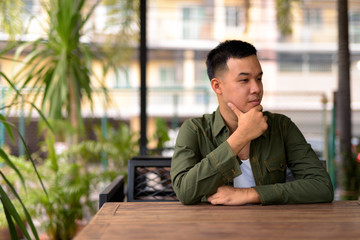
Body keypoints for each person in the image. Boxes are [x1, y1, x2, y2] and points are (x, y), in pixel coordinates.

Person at [170, 40, 334, 205]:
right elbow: (185, 192)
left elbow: (322, 186)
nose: (256, 88)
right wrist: (241, 136)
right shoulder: (195, 130)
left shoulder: (280, 126)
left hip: (270, 226)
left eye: (259, 78)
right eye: (244, 80)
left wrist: (249, 194)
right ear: (217, 86)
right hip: (213, 228)